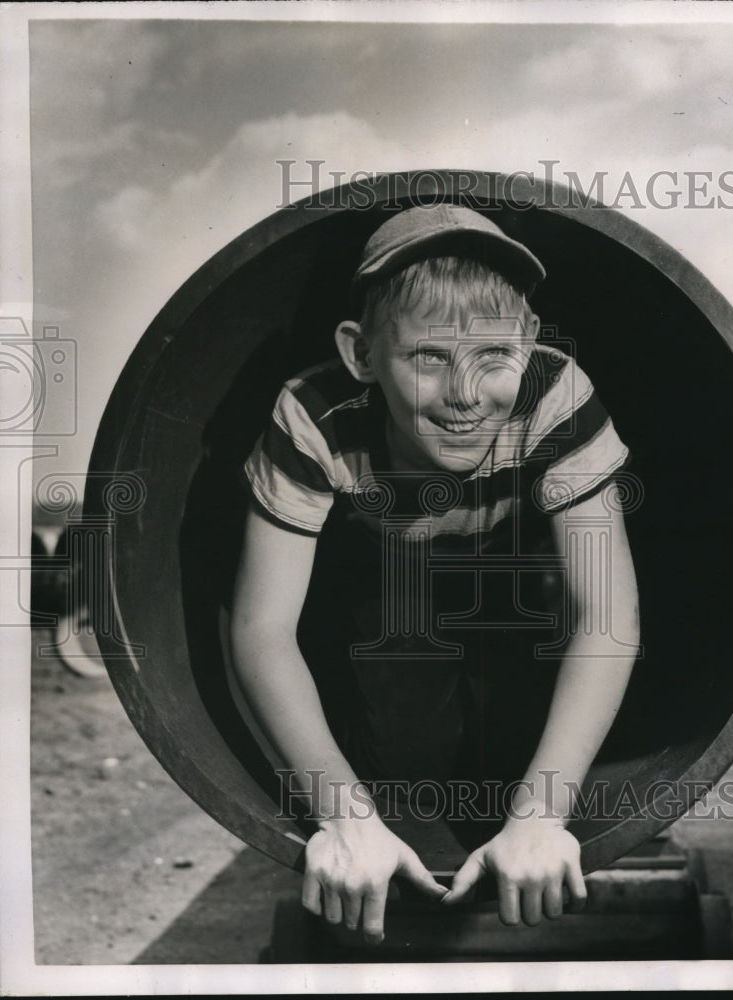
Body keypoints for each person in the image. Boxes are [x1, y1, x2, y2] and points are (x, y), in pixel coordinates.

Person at [230, 203, 639, 946]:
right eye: (426, 357)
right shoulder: (318, 415)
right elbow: (262, 630)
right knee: (399, 753)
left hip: (509, 566)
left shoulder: (554, 393)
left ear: (530, 346)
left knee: (513, 729)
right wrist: (346, 818)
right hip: (382, 575)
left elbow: (605, 620)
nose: (463, 393)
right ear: (360, 354)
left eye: (493, 356)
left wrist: (542, 816)